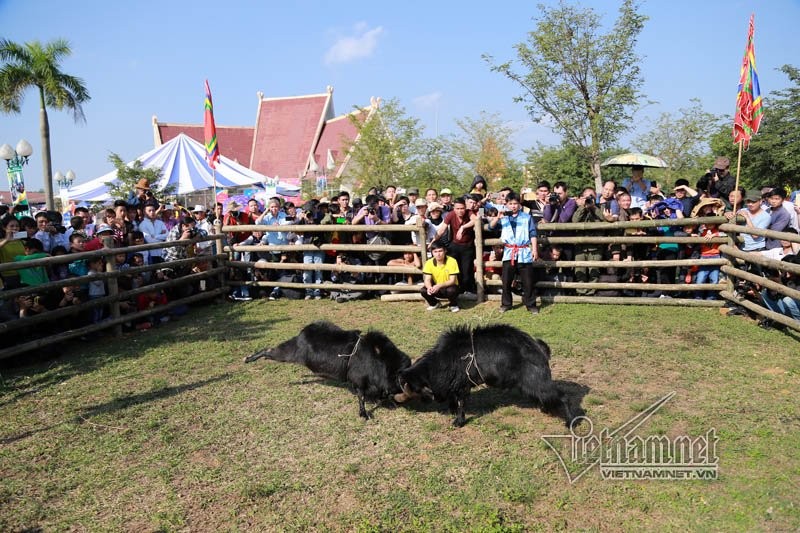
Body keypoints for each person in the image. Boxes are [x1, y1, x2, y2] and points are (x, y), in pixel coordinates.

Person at [488, 192, 540, 314]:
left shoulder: (527, 217)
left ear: (520, 205)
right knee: (506, 280)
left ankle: (531, 304)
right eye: (510, 204)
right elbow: (491, 227)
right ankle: (506, 303)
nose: (513, 206)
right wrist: (497, 218)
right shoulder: (503, 217)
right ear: (506, 204)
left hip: (524, 251)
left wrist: (534, 249)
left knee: (528, 280)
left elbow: (533, 233)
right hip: (509, 252)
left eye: (515, 203)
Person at [433, 197, 477, 296]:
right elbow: (442, 229)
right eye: (457, 208)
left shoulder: (469, 212)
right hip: (455, 245)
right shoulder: (451, 214)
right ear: (454, 208)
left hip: (467, 246)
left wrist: (463, 227)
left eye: (462, 208)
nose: (460, 211)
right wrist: (434, 240)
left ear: (465, 207)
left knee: (467, 269)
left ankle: (469, 290)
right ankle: (458, 290)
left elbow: (475, 220)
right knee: (455, 268)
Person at [571, 188, 606, 295]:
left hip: (595, 246)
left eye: (591, 196)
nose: (589, 199)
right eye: (587, 197)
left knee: (594, 271)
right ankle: (581, 292)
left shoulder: (600, 208)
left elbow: (604, 219)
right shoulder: (578, 208)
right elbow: (574, 221)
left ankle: (591, 292)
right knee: (579, 271)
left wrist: (594, 207)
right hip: (580, 246)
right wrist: (583, 207)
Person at [420, 240, 460, 312]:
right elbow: (427, 279)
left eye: (440, 251)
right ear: (432, 253)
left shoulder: (452, 261)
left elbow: (452, 280)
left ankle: (453, 304)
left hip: (449, 287)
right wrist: (429, 287)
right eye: (435, 252)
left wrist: (439, 286)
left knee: (451, 290)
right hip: (436, 288)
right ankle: (434, 304)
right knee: (423, 290)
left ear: (445, 251)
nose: (438, 254)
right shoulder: (429, 262)